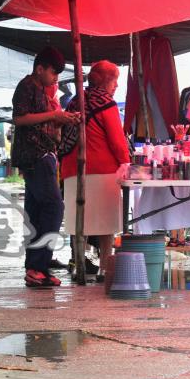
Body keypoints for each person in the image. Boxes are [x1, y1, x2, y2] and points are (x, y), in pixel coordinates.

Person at [11, 46, 80, 287]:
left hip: (44, 154)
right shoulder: (27, 86)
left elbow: (48, 126)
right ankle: (39, 264)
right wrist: (53, 116)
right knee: (53, 208)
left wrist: (60, 120)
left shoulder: (43, 90)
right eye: (53, 73)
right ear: (39, 69)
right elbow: (20, 119)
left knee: (36, 213)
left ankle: (35, 267)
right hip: (34, 155)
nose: (56, 78)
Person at [60, 60, 130, 277]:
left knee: (78, 221)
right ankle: (104, 268)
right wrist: (126, 162)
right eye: (114, 80)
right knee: (106, 222)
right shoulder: (106, 104)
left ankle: (77, 264)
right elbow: (117, 141)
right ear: (105, 81)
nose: (116, 85)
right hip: (102, 171)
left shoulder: (74, 102)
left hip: (73, 170)